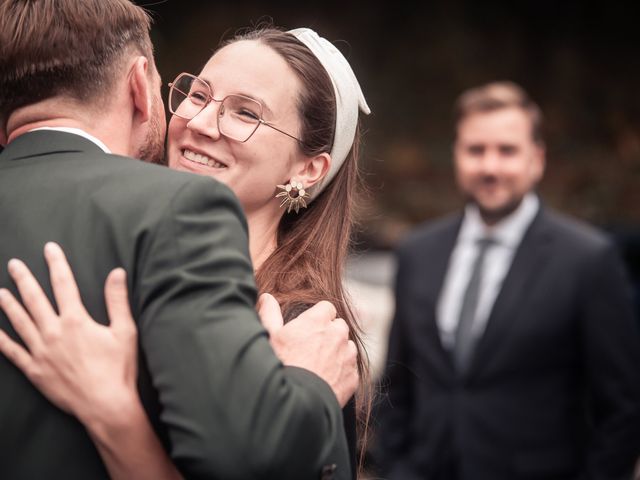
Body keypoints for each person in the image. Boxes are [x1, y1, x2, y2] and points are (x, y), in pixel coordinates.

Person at [0, 2, 360, 479]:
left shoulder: (307, 336)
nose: (201, 123)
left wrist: (114, 411)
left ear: (307, 169)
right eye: (197, 95)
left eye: (245, 113)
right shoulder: (125, 256)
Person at [373, 81, 640, 479]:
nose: (490, 167)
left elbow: (624, 408)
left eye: (507, 151)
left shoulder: (589, 260)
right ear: (456, 156)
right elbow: (396, 384)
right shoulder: (417, 252)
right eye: (476, 150)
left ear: (538, 159)